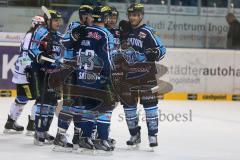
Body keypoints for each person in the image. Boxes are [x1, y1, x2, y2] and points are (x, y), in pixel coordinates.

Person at [118, 3, 166, 148]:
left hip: (146, 75)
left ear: (141, 16)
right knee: (129, 108)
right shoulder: (124, 31)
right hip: (128, 75)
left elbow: (162, 49)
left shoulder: (148, 31)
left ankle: (153, 135)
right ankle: (134, 134)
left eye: (135, 15)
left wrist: (155, 53)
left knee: (150, 106)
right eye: (130, 15)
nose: (132, 18)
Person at [72, 5, 116, 152]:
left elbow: (73, 50)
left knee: (88, 108)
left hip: (82, 76)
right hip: (97, 78)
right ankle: (101, 139)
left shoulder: (83, 31)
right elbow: (106, 57)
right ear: (104, 18)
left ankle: (85, 139)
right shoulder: (105, 34)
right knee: (106, 106)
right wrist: (110, 75)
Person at [53, 4, 94, 150]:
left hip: (85, 72)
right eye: (90, 16)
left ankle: (78, 134)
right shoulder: (74, 26)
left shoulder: (93, 29)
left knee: (81, 105)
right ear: (84, 16)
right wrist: (74, 36)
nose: (92, 18)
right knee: (69, 103)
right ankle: (60, 136)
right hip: (71, 70)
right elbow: (63, 42)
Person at [3, 16, 45, 135]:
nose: (41, 28)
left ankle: (11, 122)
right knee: (40, 97)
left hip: (21, 70)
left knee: (22, 97)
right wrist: (32, 68)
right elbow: (28, 52)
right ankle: (32, 125)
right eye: (40, 25)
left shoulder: (29, 34)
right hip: (28, 70)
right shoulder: (32, 36)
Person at [28, 9, 63, 145]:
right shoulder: (41, 32)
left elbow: (60, 54)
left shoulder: (59, 35)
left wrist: (59, 61)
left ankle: (45, 130)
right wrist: (43, 58)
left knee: (52, 104)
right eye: (55, 20)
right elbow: (32, 49)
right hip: (42, 72)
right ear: (48, 21)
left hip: (55, 74)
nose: (58, 23)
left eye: (59, 20)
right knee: (43, 103)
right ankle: (38, 132)